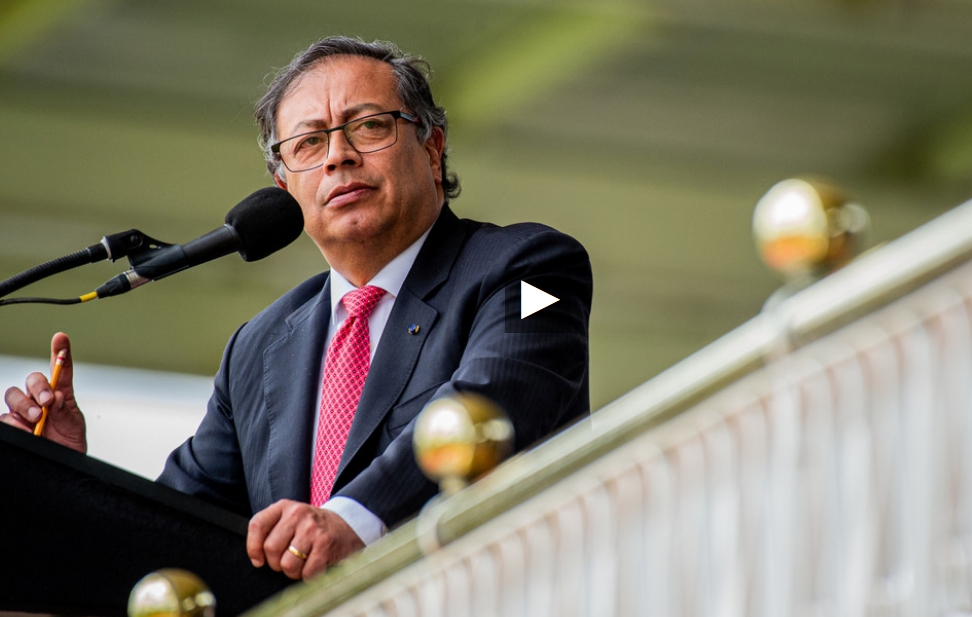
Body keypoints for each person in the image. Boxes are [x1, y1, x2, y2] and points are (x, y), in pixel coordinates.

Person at [2, 36, 592, 581]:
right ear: (285, 190)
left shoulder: (532, 271)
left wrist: (353, 519)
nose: (338, 156)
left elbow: (493, 398)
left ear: (432, 148)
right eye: (309, 142)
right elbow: (179, 536)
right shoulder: (256, 349)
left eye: (369, 126)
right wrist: (64, 479)